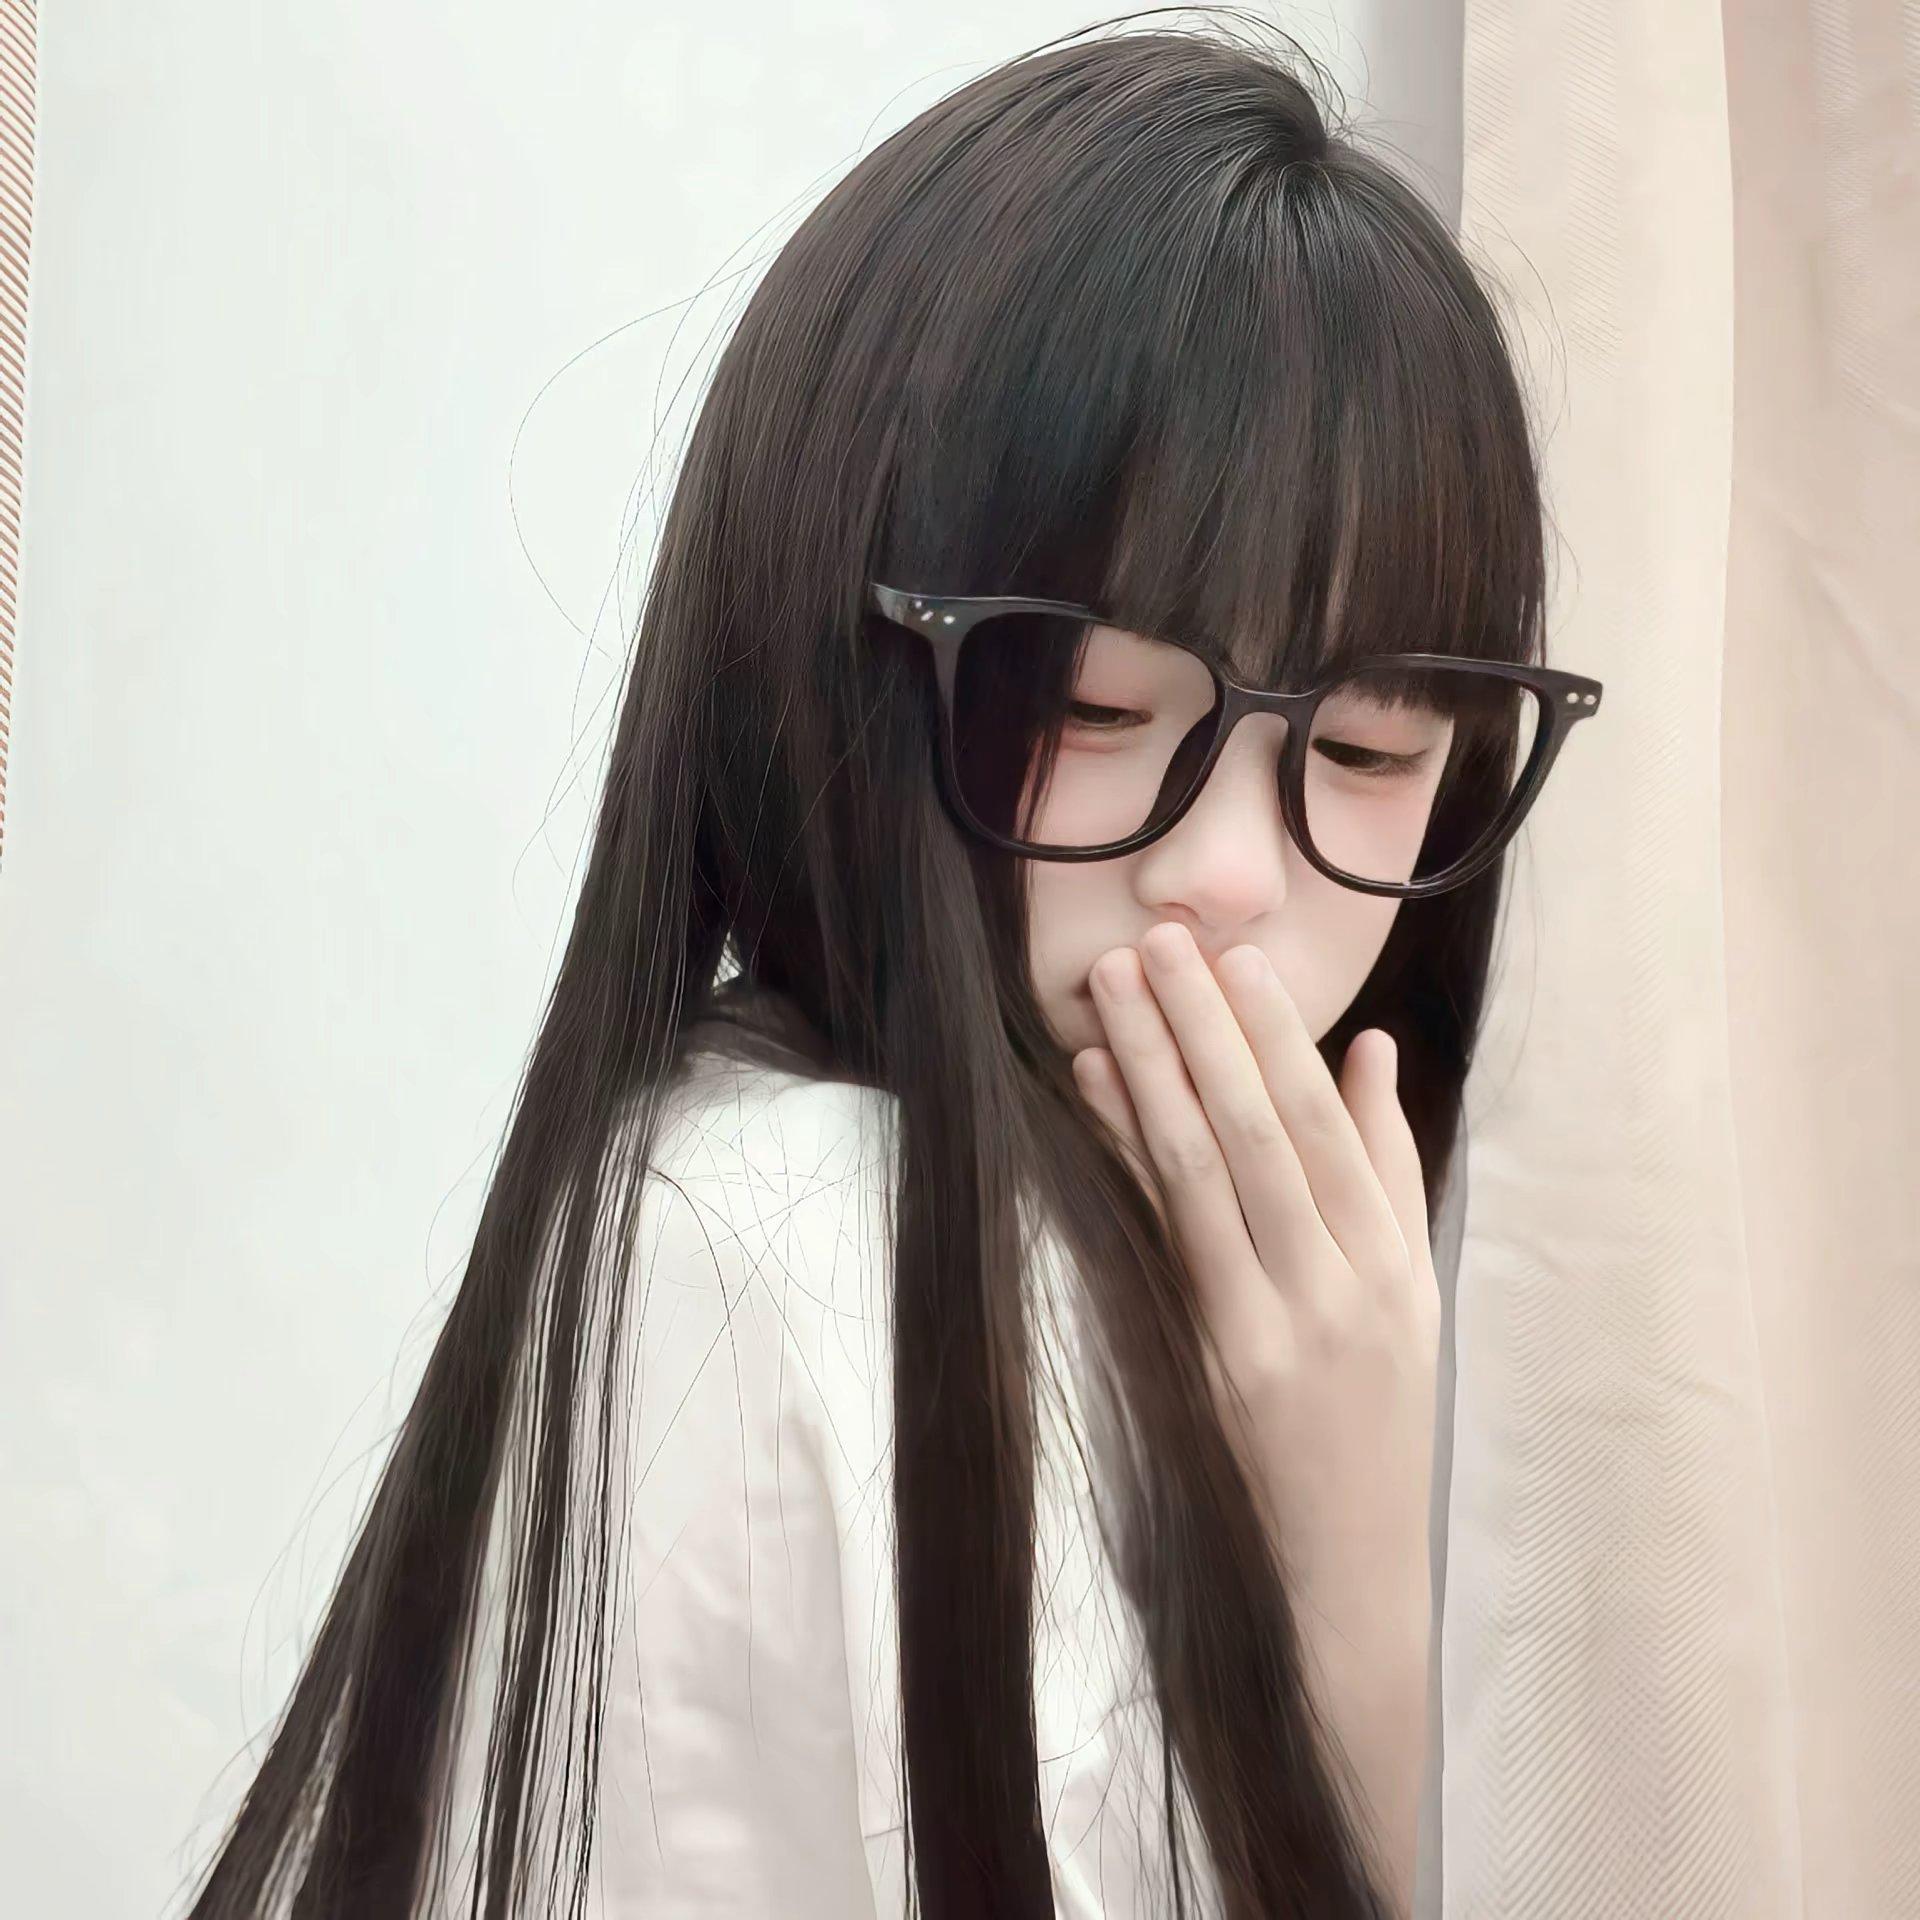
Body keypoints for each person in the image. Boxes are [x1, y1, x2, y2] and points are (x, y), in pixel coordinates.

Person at [179, 12, 1605, 1919]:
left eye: (1366, 749)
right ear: (838, 663)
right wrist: (1358, 1607)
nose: (1229, 877)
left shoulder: (921, 1240)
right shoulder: (816, 1242)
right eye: (1100, 706)